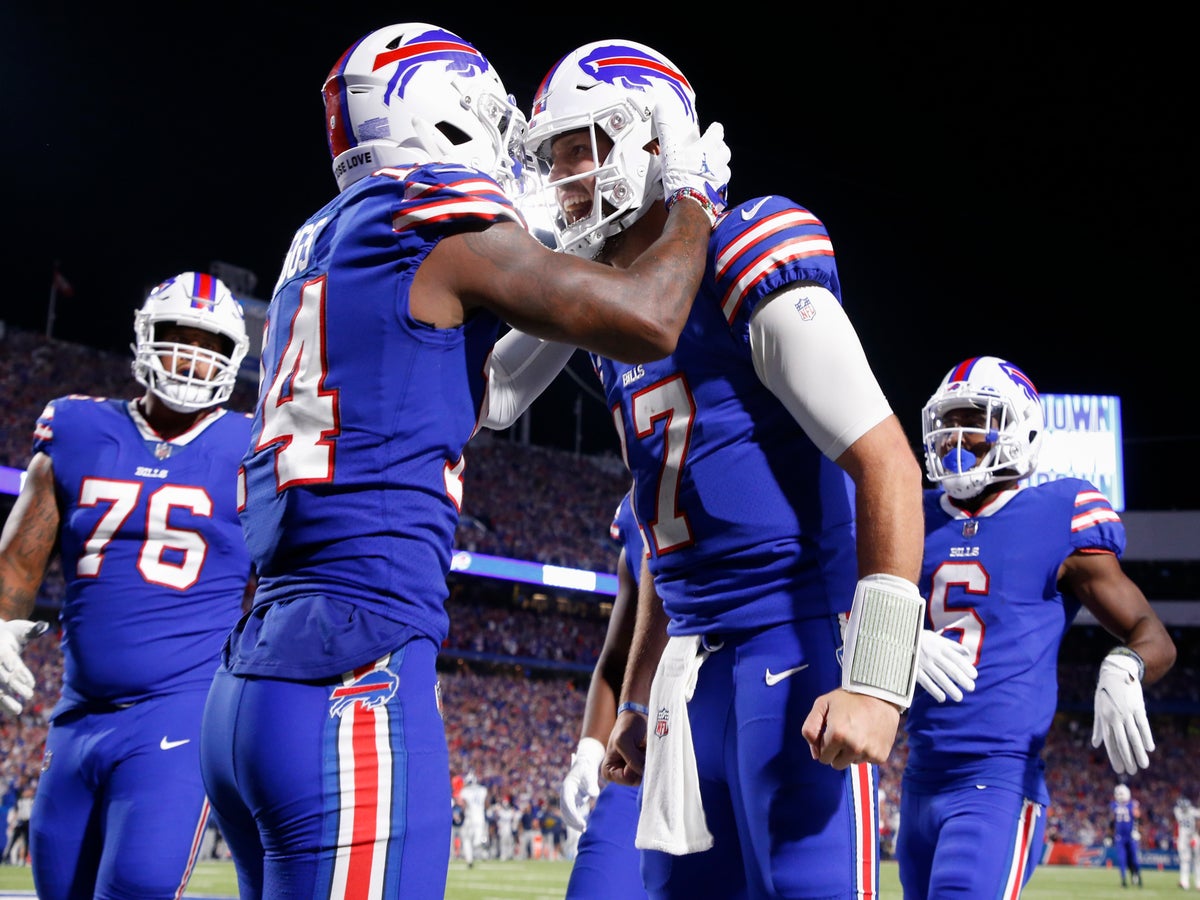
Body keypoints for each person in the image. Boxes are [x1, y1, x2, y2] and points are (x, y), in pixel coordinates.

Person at [197, 22, 729, 900]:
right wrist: (691, 198)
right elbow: (650, 316)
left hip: (254, 684)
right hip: (351, 668)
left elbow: (493, 394)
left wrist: (574, 258)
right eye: (488, 112)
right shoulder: (429, 215)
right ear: (438, 114)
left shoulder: (328, 240)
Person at [521, 39, 926, 899]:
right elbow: (674, 541)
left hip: (789, 653)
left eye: (578, 150)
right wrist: (632, 706)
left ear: (653, 141)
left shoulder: (750, 248)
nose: (564, 180)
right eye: (555, 158)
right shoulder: (619, 322)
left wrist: (878, 685)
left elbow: (887, 460)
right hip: (686, 678)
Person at [0, 271, 253, 898]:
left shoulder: (251, 447)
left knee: (137, 884)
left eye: (210, 345)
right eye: (177, 337)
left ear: (234, 359)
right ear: (145, 338)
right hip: (78, 714)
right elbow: (21, 554)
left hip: (181, 710)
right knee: (58, 889)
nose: (192, 357)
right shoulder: (77, 429)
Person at [894, 355, 1176, 898]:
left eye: (973, 420)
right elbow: (847, 614)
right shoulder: (913, 514)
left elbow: (1149, 629)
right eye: (947, 421)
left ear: (1019, 429)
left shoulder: (1058, 512)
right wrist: (895, 638)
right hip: (917, 774)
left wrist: (1125, 664)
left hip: (998, 781)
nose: (956, 438)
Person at [559, 491, 648, 899]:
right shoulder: (637, 504)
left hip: (746, 734)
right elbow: (617, 659)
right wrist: (590, 753)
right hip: (644, 759)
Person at [1112, 783, 1143, 887]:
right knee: (1121, 859)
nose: (1120, 796)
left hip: (1131, 836)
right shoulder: (1114, 805)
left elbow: (1138, 818)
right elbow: (1112, 821)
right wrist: (1109, 835)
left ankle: (1137, 876)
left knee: (1133, 859)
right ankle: (1124, 880)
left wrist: (1137, 830)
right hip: (1120, 837)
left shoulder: (1133, 804)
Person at [459, 771, 489, 868]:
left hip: (470, 817)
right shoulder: (483, 790)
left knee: (466, 839)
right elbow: (486, 803)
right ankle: (483, 846)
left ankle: (470, 860)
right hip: (480, 817)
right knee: (478, 839)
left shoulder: (465, 791)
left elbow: (462, 804)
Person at [1175, 794, 1199, 890]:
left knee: (1188, 861)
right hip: (1191, 837)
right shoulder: (1192, 811)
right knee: (1194, 861)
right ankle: (1191, 883)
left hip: (1187, 838)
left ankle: (1186, 883)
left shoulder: (1177, 811)